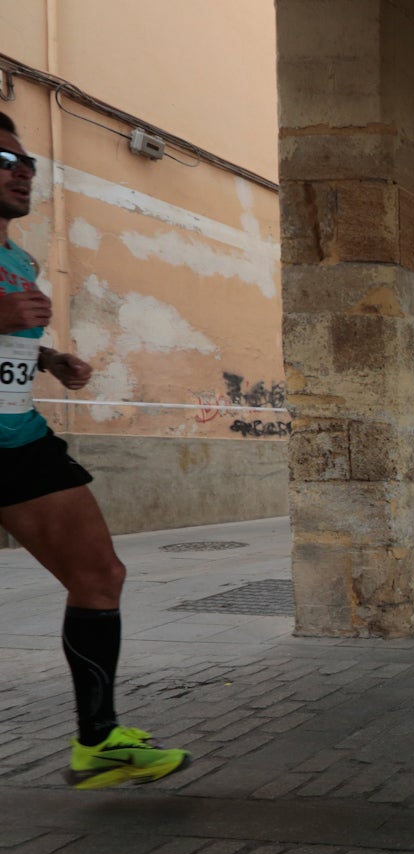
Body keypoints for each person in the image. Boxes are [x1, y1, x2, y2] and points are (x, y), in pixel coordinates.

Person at [0, 112, 191, 790]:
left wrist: (49, 357)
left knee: (100, 574)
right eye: (2, 157)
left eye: (27, 163)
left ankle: (100, 741)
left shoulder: (17, 258)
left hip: (17, 440)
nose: (20, 171)